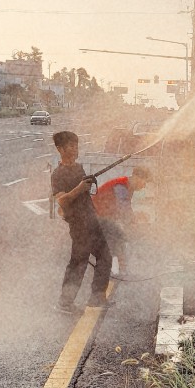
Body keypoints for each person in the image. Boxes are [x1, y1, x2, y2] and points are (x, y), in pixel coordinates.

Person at [51, 130, 112, 312]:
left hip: (91, 219)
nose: (75, 149)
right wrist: (79, 188)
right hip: (78, 224)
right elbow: (61, 199)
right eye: (70, 146)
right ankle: (65, 302)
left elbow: (83, 192)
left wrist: (87, 182)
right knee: (79, 262)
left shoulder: (78, 168)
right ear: (60, 149)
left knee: (105, 256)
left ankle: (97, 297)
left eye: (76, 145)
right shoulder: (58, 174)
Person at [92, 166, 151, 277]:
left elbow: (125, 209)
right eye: (145, 182)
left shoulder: (128, 187)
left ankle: (121, 269)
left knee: (118, 236)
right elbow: (123, 210)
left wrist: (134, 219)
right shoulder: (121, 186)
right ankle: (117, 270)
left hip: (103, 217)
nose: (144, 186)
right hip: (94, 216)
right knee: (118, 236)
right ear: (137, 177)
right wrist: (134, 223)